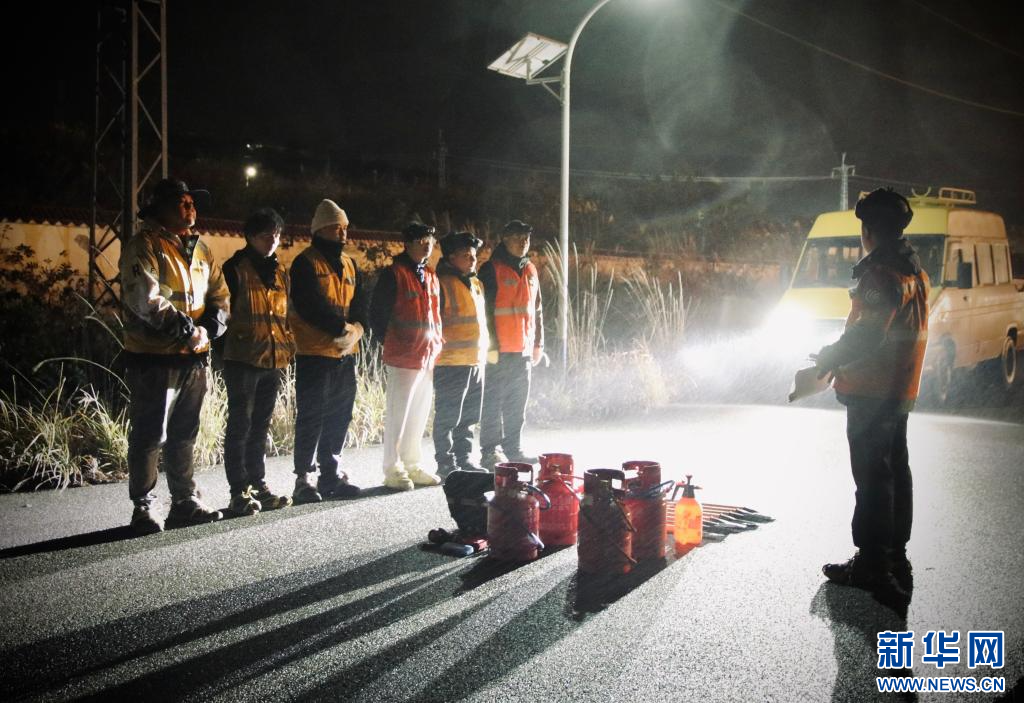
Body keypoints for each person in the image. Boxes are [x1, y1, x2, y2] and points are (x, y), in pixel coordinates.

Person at [813, 188, 929, 597]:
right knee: (895, 472)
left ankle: (872, 565)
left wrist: (829, 356)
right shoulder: (912, 269)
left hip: (873, 391)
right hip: (899, 389)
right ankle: (895, 556)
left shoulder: (881, 274)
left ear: (869, 230)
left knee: (872, 478)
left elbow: (867, 334)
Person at [119, 178, 230, 534]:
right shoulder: (144, 245)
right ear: (160, 208)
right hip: (155, 356)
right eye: (181, 202)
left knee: (185, 432)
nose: (190, 207)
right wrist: (188, 331)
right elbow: (145, 298)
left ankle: (184, 501)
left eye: (191, 202)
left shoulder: (202, 250)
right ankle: (143, 507)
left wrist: (209, 329)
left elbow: (220, 296)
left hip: (193, 356)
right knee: (150, 433)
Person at [288, 199, 367, 503]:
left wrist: (357, 328)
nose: (342, 232)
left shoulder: (349, 263)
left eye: (344, 227)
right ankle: (304, 478)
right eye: (336, 227)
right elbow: (309, 305)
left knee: (339, 416)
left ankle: (330, 475)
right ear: (320, 229)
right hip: (315, 353)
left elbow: (360, 302)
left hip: (344, 354)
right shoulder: (305, 263)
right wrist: (342, 329)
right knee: (311, 417)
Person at [220, 208, 295, 516]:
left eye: (276, 235)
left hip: (273, 359)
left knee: (260, 426)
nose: (273, 241)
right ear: (250, 236)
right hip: (242, 359)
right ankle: (238, 491)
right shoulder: (234, 269)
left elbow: (284, 316)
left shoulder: (280, 272)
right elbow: (223, 314)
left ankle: (258, 485)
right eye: (266, 235)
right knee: (240, 425)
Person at [370, 222, 444, 490]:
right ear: (408, 243)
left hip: (427, 354)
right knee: (398, 414)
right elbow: (377, 314)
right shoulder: (394, 274)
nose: (427, 246)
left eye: (430, 241)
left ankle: (412, 464)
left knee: (419, 413)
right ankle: (393, 468)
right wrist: (393, 342)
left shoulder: (430, 275)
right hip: (404, 355)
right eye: (421, 241)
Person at [478, 219, 544, 470]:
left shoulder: (531, 269)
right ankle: (490, 451)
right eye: (518, 238)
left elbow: (537, 310)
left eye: (526, 238)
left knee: (517, 403)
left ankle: (513, 449)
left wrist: (538, 344)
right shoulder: (491, 269)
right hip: (499, 351)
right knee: (493, 402)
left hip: (523, 350)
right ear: (505, 240)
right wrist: (491, 346)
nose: (523, 242)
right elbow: (484, 311)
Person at [433, 231, 489, 476]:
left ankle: (464, 458)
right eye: (466, 255)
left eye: (474, 254)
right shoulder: (442, 284)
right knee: (448, 415)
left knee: (469, 416)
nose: (472, 259)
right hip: (451, 361)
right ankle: (446, 463)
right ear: (451, 258)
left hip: (475, 359)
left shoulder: (476, 284)